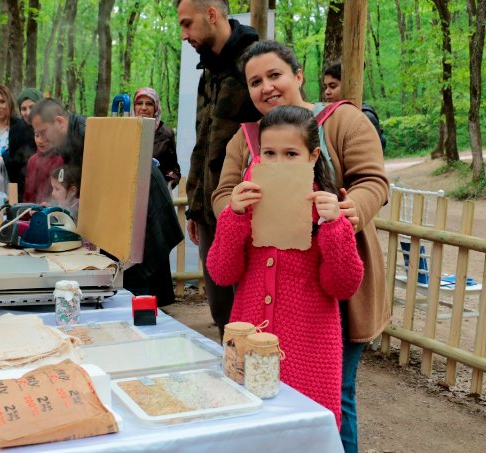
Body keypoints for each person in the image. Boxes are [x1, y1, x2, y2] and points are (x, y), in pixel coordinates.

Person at [212, 40, 388, 453]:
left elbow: (373, 180)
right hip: (263, 281)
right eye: (255, 81)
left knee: (335, 393)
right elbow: (222, 194)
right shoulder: (245, 138)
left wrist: (346, 213)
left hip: (334, 278)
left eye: (274, 75)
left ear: (298, 75)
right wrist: (237, 212)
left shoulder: (343, 120)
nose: (266, 87)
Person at [207, 105, 363, 428]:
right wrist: (234, 217)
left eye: (291, 154)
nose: (279, 162)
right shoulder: (246, 206)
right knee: (248, 435)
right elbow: (221, 273)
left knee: (303, 435)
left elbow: (343, 285)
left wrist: (335, 226)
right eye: (269, 153)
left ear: (313, 155)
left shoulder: (328, 212)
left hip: (309, 352)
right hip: (247, 347)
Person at [177, 0, 261, 340]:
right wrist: (196, 208)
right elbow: (204, 145)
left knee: (250, 322)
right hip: (211, 212)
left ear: (211, 14)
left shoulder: (255, 65)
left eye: (187, 24)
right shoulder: (209, 70)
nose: (184, 35)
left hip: (249, 214)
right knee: (222, 314)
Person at [323, 63, 386, 153]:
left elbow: (371, 154)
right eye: (326, 87)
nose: (327, 92)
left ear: (348, 86)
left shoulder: (365, 117)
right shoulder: (329, 114)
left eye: (332, 86)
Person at [133, 87, 181, 188]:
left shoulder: (166, 134)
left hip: (154, 192)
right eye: (139, 103)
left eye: (149, 104)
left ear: (156, 107)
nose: (144, 108)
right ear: (134, 107)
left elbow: (174, 171)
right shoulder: (125, 130)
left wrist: (166, 183)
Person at [28, 98, 87, 169]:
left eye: (43, 132)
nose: (40, 140)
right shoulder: (61, 140)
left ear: (59, 122)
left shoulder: (87, 133)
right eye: (37, 134)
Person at [23, 126, 64, 203]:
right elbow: (27, 193)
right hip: (30, 208)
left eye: (44, 135)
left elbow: (61, 194)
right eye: (37, 135)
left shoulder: (59, 160)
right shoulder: (32, 160)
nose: (39, 141)